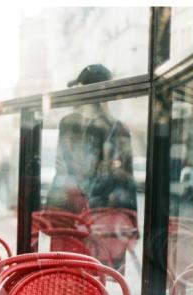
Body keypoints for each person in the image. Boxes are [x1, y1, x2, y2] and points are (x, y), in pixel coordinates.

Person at [47, 64, 137, 214]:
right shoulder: (117, 128)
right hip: (95, 211)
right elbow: (125, 180)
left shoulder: (69, 123)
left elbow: (63, 167)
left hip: (74, 210)